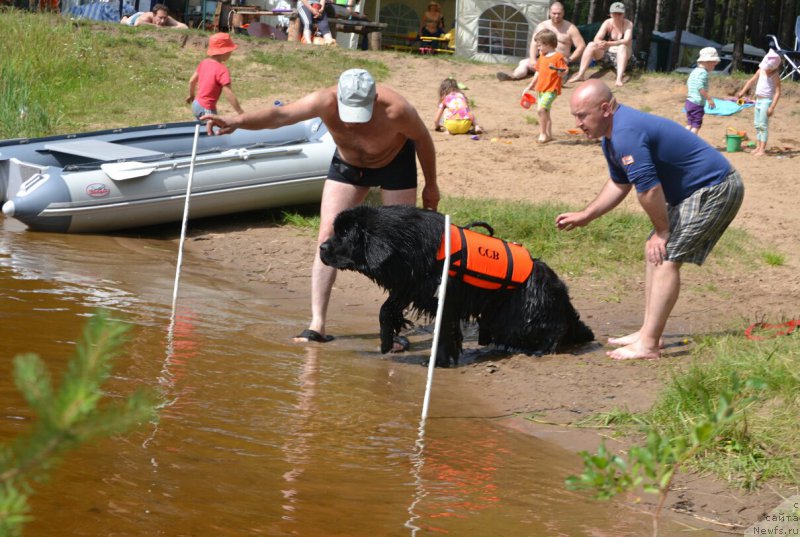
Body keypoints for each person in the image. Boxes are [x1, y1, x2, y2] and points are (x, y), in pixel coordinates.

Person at [202, 69, 439, 345]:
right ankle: (317, 325)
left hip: (394, 165)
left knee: (399, 247)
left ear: (374, 98)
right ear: (338, 96)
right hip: (348, 166)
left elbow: (423, 140)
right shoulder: (323, 101)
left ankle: (395, 326)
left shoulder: (398, 110)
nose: (354, 122)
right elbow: (279, 116)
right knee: (327, 237)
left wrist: (430, 185)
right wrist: (237, 120)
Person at [556, 80, 744, 360]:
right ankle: (646, 331)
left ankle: (650, 344)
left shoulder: (625, 133)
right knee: (654, 251)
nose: (578, 123)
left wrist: (662, 231)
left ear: (605, 109)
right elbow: (619, 183)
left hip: (716, 187)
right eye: (575, 116)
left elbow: (649, 189)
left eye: (582, 115)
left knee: (666, 254)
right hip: (695, 190)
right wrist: (586, 215)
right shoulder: (611, 137)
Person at [496, 2, 585, 82]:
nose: (556, 16)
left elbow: (581, 45)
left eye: (559, 13)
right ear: (550, 12)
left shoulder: (570, 28)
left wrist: (569, 59)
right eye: (554, 13)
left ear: (563, 13)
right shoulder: (542, 26)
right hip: (542, 60)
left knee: (557, 71)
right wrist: (533, 59)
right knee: (524, 63)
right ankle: (513, 76)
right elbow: (534, 43)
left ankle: (558, 79)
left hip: (559, 63)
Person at [568, 1, 632, 87]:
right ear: (610, 14)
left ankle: (619, 78)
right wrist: (601, 43)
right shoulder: (607, 23)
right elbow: (596, 38)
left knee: (622, 47)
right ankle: (581, 74)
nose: (617, 16)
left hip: (625, 59)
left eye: (619, 14)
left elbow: (626, 40)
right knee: (591, 44)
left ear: (624, 14)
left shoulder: (628, 24)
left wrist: (608, 43)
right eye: (614, 13)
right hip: (608, 57)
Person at [521, 29, 568, 143]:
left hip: (552, 89)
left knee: (541, 110)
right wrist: (531, 84)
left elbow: (564, 70)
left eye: (540, 45)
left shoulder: (558, 57)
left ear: (548, 44)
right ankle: (549, 135)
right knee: (545, 112)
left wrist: (561, 73)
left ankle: (542, 134)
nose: (538, 48)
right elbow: (538, 71)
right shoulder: (542, 56)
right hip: (541, 88)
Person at [186, 33, 244, 120]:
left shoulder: (204, 62)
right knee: (212, 130)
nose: (231, 53)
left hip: (196, 104)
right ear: (225, 51)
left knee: (199, 128)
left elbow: (191, 81)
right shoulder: (222, 70)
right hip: (207, 108)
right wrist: (240, 112)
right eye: (230, 51)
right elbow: (229, 94)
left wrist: (191, 96)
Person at [737, 49, 782, 157]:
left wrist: (772, 107)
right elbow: (751, 81)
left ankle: (762, 149)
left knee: (763, 125)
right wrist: (742, 91)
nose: (766, 69)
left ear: (773, 67)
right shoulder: (760, 70)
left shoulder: (774, 76)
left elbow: (778, 92)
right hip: (758, 100)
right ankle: (758, 146)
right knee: (757, 124)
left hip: (766, 101)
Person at [685, 47, 719, 134]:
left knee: (690, 123)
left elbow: (689, 83)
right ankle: (690, 143)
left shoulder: (695, 71)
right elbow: (700, 88)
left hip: (689, 102)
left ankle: (682, 139)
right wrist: (709, 99)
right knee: (696, 124)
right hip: (697, 103)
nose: (714, 67)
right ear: (708, 62)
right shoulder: (703, 73)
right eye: (714, 64)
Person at [120, 3, 188, 28]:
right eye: (160, 18)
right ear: (154, 15)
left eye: (165, 18)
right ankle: (125, 17)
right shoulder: (147, 16)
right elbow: (138, 23)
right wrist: (157, 26)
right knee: (124, 22)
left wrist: (166, 28)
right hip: (136, 17)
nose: (162, 21)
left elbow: (184, 27)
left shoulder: (167, 18)